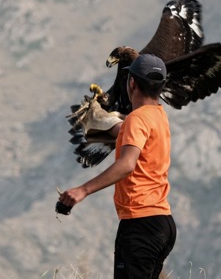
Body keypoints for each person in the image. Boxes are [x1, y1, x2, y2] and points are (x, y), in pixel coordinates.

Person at [59, 53, 177, 279]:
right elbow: (131, 133)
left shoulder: (137, 118)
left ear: (131, 83)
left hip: (140, 223)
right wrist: (103, 121)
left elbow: (127, 164)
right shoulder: (158, 116)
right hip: (162, 223)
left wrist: (82, 190)